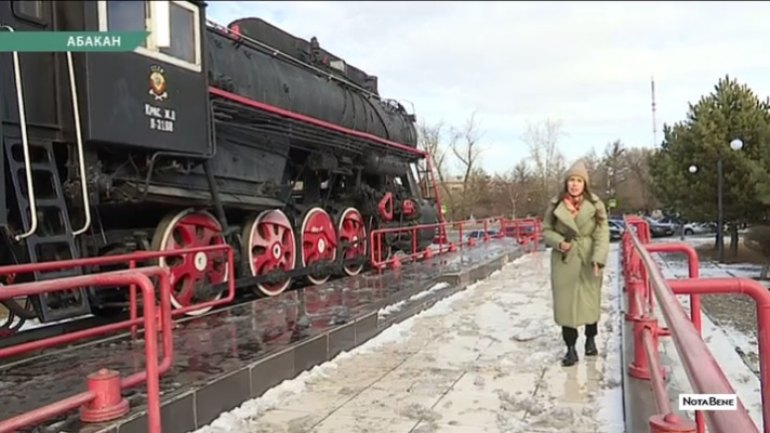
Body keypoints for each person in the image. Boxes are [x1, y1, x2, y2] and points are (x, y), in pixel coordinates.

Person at [541, 160, 610, 367]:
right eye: (571, 180)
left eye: (579, 180)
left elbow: (602, 233)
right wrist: (559, 243)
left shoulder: (596, 205)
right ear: (566, 183)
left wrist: (599, 258)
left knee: (590, 301)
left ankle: (590, 339)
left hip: (588, 257)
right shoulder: (556, 205)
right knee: (566, 305)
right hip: (565, 258)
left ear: (584, 184)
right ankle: (570, 348)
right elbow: (545, 230)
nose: (574, 184)